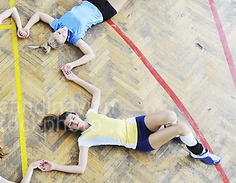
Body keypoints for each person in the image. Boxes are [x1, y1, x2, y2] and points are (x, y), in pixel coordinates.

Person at [36, 70, 221, 175]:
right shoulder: (84, 140)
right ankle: (198, 152)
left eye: (73, 118)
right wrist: (54, 166)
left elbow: (97, 92)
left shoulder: (91, 115)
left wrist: (75, 78)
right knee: (182, 127)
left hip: (137, 124)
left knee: (171, 115)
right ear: (71, 129)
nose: (74, 122)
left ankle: (173, 135)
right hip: (139, 142)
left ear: (76, 115)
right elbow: (80, 168)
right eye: (71, 124)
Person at [18, 0, 161, 72]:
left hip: (93, 0)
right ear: (65, 40)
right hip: (105, 11)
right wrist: (73, 65)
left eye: (58, 32)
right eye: (62, 35)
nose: (62, 31)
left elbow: (39, 15)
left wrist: (27, 27)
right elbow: (90, 54)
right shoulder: (75, 38)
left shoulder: (57, 24)